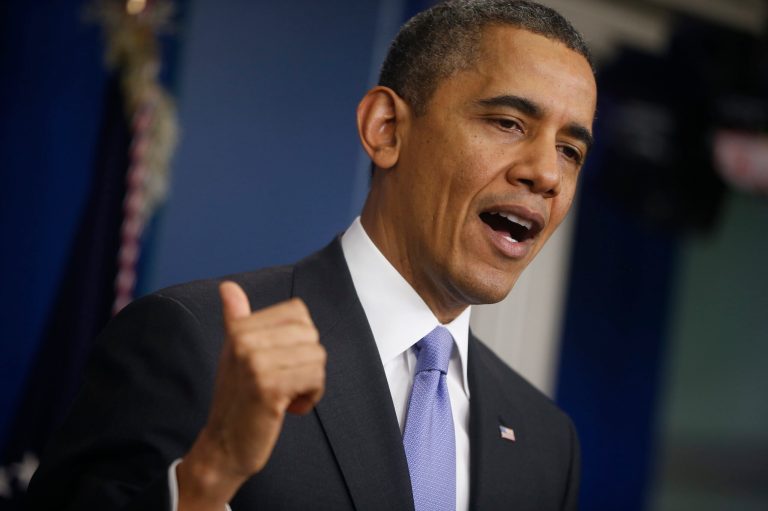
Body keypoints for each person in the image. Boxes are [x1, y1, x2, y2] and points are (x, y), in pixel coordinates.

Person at [27, 1, 597, 510]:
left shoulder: (547, 444)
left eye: (570, 150)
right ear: (386, 129)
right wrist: (209, 475)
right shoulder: (194, 343)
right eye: (507, 122)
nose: (546, 173)